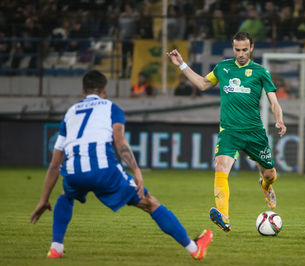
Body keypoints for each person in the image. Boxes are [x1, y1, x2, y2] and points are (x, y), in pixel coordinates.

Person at [30, 70, 212, 260]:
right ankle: (194, 248)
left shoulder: (70, 113)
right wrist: (136, 170)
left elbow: (54, 165)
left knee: (66, 195)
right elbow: (119, 141)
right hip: (104, 171)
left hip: (74, 171)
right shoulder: (111, 108)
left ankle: (55, 248)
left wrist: (43, 200)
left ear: (83, 90)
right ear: (104, 90)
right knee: (150, 202)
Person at [167, 32, 287, 232]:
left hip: (254, 132)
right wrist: (181, 64)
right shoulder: (222, 68)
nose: (240, 54)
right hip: (229, 131)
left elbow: (274, 101)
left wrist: (279, 119)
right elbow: (204, 84)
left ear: (252, 48)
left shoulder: (260, 72)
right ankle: (224, 216)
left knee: (270, 174)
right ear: (233, 48)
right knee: (221, 165)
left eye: (244, 50)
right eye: (237, 50)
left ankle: (266, 185)